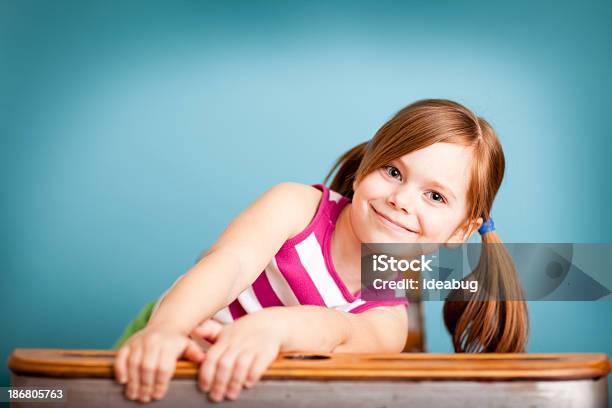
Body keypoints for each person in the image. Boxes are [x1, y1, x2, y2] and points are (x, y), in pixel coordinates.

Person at [113, 99, 528, 403]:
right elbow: (229, 263)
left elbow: (336, 330)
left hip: (236, 387)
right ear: (368, 165)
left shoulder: (387, 319)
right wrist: (166, 329)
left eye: (435, 196)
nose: (403, 199)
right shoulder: (296, 205)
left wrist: (273, 329)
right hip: (169, 341)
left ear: (461, 232)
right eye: (394, 171)